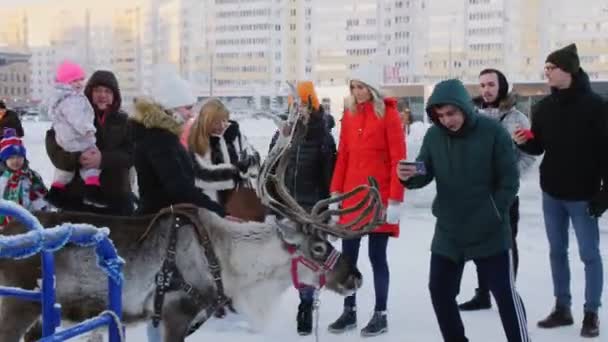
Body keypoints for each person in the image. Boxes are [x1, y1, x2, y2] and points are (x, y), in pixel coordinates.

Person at [398, 79, 530, 342]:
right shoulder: (434, 135)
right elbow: (426, 168)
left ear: (465, 108)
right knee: (439, 290)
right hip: (450, 230)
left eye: (452, 113)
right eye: (441, 115)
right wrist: (410, 173)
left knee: (504, 293)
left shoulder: (493, 132)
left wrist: (493, 213)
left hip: (489, 229)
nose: (447, 120)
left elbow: (509, 182)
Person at [513, 43, 606, 338]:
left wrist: (604, 194)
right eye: (546, 68)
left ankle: (591, 313)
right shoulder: (544, 107)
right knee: (556, 251)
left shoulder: (596, 106)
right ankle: (562, 308)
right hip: (551, 192)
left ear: (569, 70)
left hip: (584, 194)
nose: (547, 73)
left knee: (589, 254)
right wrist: (523, 141)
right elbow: (539, 145)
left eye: (552, 68)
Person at [328, 63, 406, 337]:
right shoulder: (349, 115)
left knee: (377, 257)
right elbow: (344, 157)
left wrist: (395, 200)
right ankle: (349, 311)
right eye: (353, 87)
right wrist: (336, 195)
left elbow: (399, 160)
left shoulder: (390, 115)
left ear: (372, 88)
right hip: (351, 199)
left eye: (362, 87)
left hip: (378, 199)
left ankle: (380, 314)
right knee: (348, 259)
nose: (357, 92)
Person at [458, 68, 536, 311]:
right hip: (478, 194)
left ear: (501, 86)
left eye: (491, 84)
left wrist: (511, 178)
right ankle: (483, 294)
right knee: (481, 243)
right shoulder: (471, 116)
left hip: (506, 195)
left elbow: (530, 155)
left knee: (506, 242)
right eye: (482, 85)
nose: (486, 90)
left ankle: (507, 293)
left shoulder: (518, 119)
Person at [268, 81, 337, 336]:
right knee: (287, 259)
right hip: (286, 208)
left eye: (301, 103)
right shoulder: (283, 133)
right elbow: (271, 167)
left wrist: (326, 211)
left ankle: (306, 305)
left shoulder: (322, 137)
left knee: (309, 260)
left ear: (311, 104)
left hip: (312, 210)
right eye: (293, 104)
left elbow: (329, 176)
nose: (297, 108)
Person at [45, 70, 135, 215]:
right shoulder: (71, 114)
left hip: (116, 200)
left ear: (115, 96)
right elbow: (53, 149)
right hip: (77, 199)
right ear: (89, 93)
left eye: (108, 91)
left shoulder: (125, 122)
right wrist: (77, 158)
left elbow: (132, 154)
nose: (102, 95)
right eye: (97, 90)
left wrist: (103, 159)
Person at [130, 95, 224, 216]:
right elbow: (179, 189)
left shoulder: (160, 135)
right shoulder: (160, 139)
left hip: (165, 216)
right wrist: (218, 212)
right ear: (170, 109)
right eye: (187, 108)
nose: (191, 114)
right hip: (164, 220)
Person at [45, 60, 104, 208]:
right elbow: (77, 118)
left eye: (80, 79)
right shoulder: (73, 99)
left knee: (64, 173)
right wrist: (87, 129)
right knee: (91, 165)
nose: (78, 83)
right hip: (78, 138)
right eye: (73, 80)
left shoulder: (61, 98)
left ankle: (54, 193)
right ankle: (92, 193)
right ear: (65, 83)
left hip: (66, 140)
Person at [188, 98, 260, 206]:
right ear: (206, 122)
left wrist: (247, 165)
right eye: (216, 122)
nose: (222, 126)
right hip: (211, 204)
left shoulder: (235, 136)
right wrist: (236, 171)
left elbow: (254, 159)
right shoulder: (197, 141)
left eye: (224, 120)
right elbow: (201, 176)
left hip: (239, 202)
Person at [0, 128, 47, 227]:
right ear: (4, 160)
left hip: (26, 222)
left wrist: (42, 214)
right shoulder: (2, 178)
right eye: (11, 158)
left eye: (19, 157)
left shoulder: (31, 176)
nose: (16, 161)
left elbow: (42, 198)